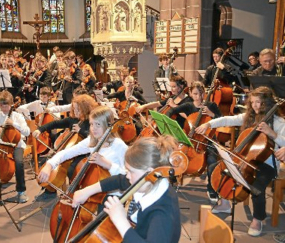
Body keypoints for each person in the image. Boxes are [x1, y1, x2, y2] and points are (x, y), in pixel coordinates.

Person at [195, 86, 285, 237]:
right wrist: (209, 124)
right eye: (254, 102)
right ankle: (224, 204)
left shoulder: (278, 122)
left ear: (268, 104)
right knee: (218, 168)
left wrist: (273, 134)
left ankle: (258, 219)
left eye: (260, 103)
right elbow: (227, 119)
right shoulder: (249, 117)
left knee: (257, 187)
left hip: (267, 164)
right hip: (246, 158)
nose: (256, 106)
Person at [72, 136, 181, 243]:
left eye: (130, 171)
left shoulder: (162, 212)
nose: (127, 175)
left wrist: (121, 221)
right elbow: (119, 180)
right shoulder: (149, 182)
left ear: (150, 172)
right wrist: (86, 191)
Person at [37, 105, 128, 199]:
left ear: (108, 125)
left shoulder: (119, 146)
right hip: (92, 192)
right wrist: (49, 165)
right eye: (92, 124)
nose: (93, 128)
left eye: (98, 124)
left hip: (113, 195)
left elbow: (129, 178)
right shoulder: (91, 141)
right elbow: (66, 153)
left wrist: (109, 165)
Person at [166, 81, 222, 202]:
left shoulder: (211, 105)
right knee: (173, 153)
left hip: (209, 139)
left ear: (204, 93)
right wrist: (171, 123)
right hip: (192, 139)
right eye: (195, 94)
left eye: (200, 93)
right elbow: (171, 111)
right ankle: (173, 179)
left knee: (212, 161)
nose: (198, 97)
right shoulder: (188, 106)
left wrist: (211, 114)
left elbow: (222, 120)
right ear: (190, 94)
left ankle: (211, 189)